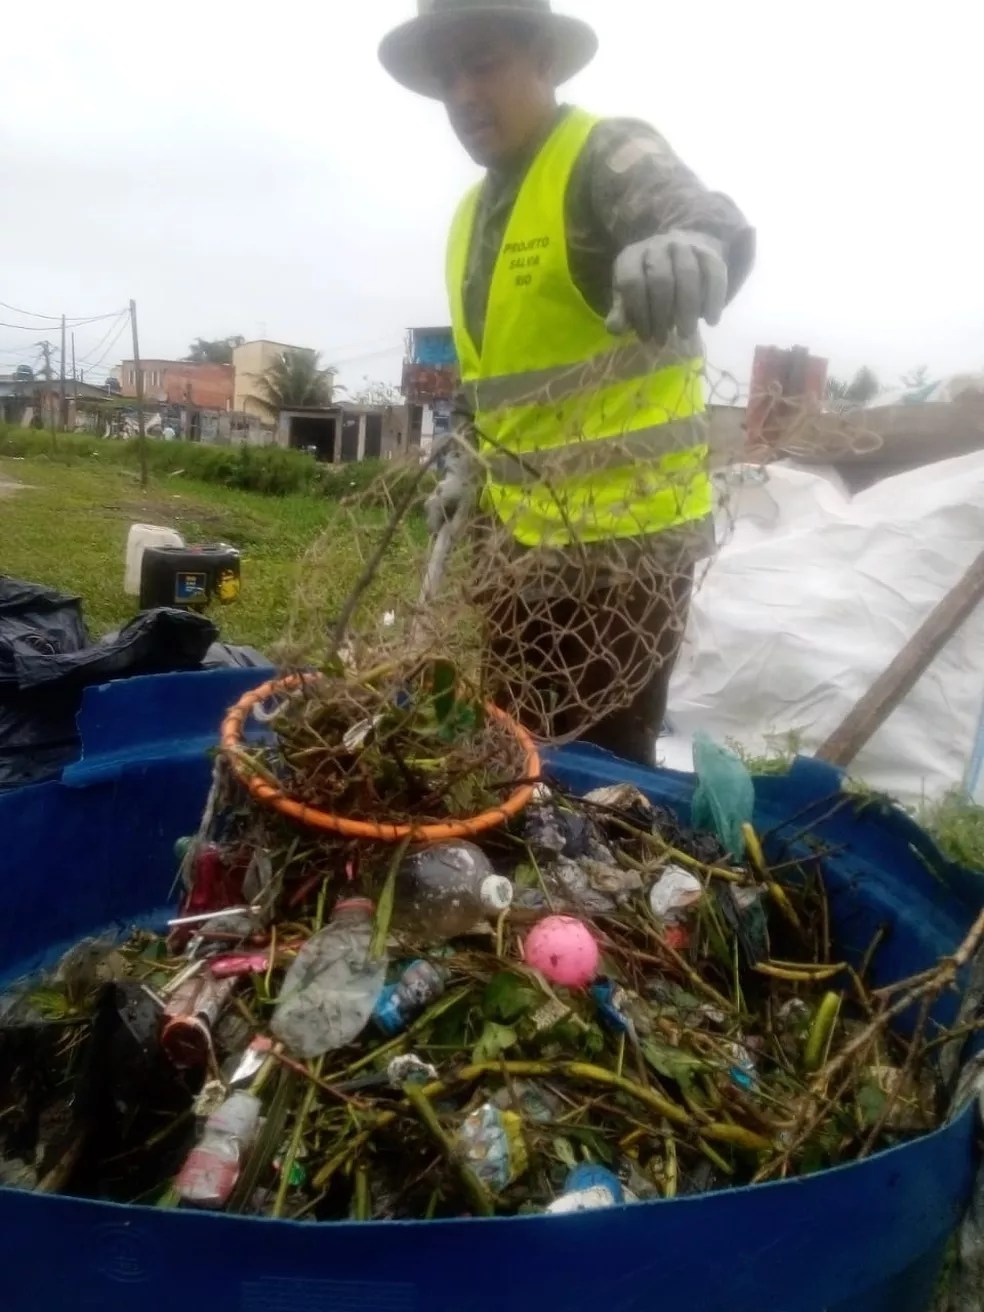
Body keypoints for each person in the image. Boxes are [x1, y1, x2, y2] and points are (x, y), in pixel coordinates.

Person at [380, 0, 755, 765]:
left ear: (543, 61)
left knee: (600, 783)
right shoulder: (469, 221)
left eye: (484, 64)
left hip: (624, 562)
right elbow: (490, 382)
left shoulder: (601, 157)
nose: (462, 95)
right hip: (515, 551)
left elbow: (698, 216)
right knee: (512, 754)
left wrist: (690, 245)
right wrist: (463, 467)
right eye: (447, 77)